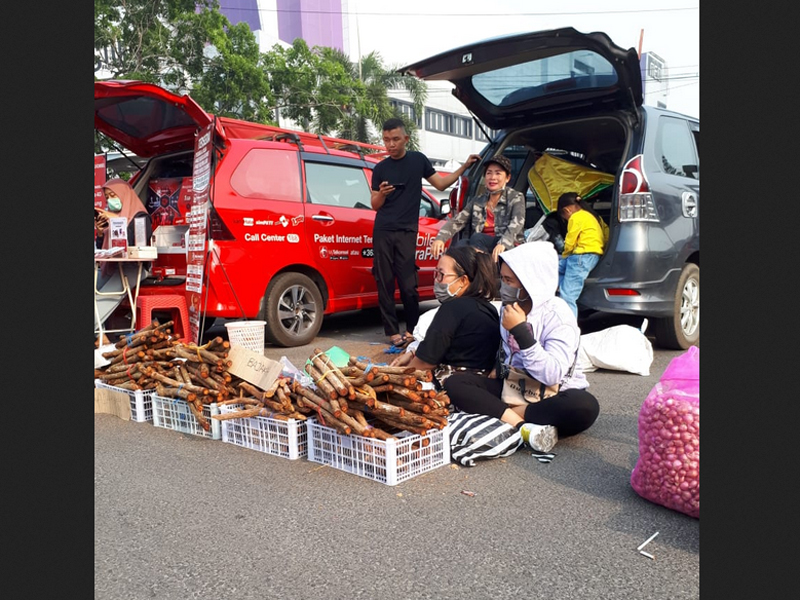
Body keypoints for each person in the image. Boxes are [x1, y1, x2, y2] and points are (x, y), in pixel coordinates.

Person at [443, 241, 600, 453]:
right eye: (503, 279)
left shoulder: (557, 314)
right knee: (456, 383)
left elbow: (552, 374)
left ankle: (508, 413)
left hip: (553, 393)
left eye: (509, 281)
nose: (503, 286)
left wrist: (520, 331)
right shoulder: (508, 308)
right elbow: (505, 352)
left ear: (530, 283)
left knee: (584, 406)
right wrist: (496, 366)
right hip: (516, 386)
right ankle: (522, 426)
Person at [370, 117, 479, 347]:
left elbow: (440, 185)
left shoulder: (417, 160)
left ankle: (412, 329)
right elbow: (374, 204)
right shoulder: (380, 168)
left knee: (409, 284)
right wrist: (382, 193)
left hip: (408, 231)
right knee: (385, 282)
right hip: (383, 230)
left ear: (406, 139)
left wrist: (465, 166)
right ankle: (391, 331)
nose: (391, 144)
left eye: (396, 139)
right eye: (387, 140)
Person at [388, 245, 500, 390]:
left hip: (450, 391)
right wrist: (412, 353)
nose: (437, 280)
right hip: (479, 388)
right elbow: (453, 346)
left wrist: (398, 376)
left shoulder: (452, 309)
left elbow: (426, 362)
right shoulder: (487, 308)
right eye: (436, 273)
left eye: (441, 274)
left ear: (463, 280)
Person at [430, 154, 526, 263]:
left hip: (508, 246)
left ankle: (481, 273)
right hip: (480, 246)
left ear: (507, 178)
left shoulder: (516, 197)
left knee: (477, 238)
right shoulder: (478, 200)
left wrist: (503, 243)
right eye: (489, 173)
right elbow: (457, 221)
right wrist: (440, 238)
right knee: (460, 245)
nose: (493, 177)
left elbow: (517, 223)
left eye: (498, 173)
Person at [94, 178, 153, 345]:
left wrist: (115, 219)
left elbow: (136, 241)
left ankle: (98, 335)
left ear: (125, 194)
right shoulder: (111, 218)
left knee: (105, 296)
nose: (111, 200)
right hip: (112, 265)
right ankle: (101, 336)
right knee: (95, 290)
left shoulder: (140, 217)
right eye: (108, 197)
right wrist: (100, 233)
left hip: (133, 267)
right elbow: (103, 247)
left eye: (114, 195)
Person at [556, 192, 610, 317]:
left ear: (567, 210)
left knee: (568, 296)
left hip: (580, 257)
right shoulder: (595, 217)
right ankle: (558, 286)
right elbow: (606, 233)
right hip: (592, 256)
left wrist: (565, 254)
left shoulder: (576, 217)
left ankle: (568, 328)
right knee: (554, 267)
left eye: (564, 217)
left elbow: (570, 240)